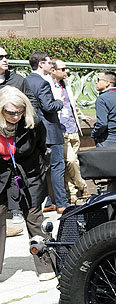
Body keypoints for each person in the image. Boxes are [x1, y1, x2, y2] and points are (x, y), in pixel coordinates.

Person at [0, 86, 55, 280]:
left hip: (29, 174)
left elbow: (41, 146)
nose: (15, 116)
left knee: (34, 219)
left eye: (19, 111)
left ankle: (47, 266)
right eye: (10, 112)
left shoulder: (33, 122)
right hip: (1, 176)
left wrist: (39, 172)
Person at [24, 51, 66, 213]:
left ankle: (47, 201)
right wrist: (60, 102)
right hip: (50, 131)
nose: (51, 65)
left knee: (40, 169)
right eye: (49, 62)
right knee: (57, 166)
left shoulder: (26, 80)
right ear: (41, 64)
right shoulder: (42, 82)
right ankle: (62, 203)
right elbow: (48, 106)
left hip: (34, 132)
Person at [0, 46, 35, 228]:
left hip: (17, 136)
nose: (5, 60)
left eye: (6, 56)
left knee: (15, 172)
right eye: (1, 57)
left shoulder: (18, 80)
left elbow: (31, 101)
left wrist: (24, 120)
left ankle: (16, 210)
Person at [49, 59, 90, 205]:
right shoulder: (48, 85)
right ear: (53, 70)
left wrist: (80, 115)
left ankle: (72, 194)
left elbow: (71, 103)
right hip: (60, 130)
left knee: (71, 163)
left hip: (73, 127)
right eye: (63, 69)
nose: (66, 71)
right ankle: (83, 186)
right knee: (71, 160)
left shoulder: (66, 84)